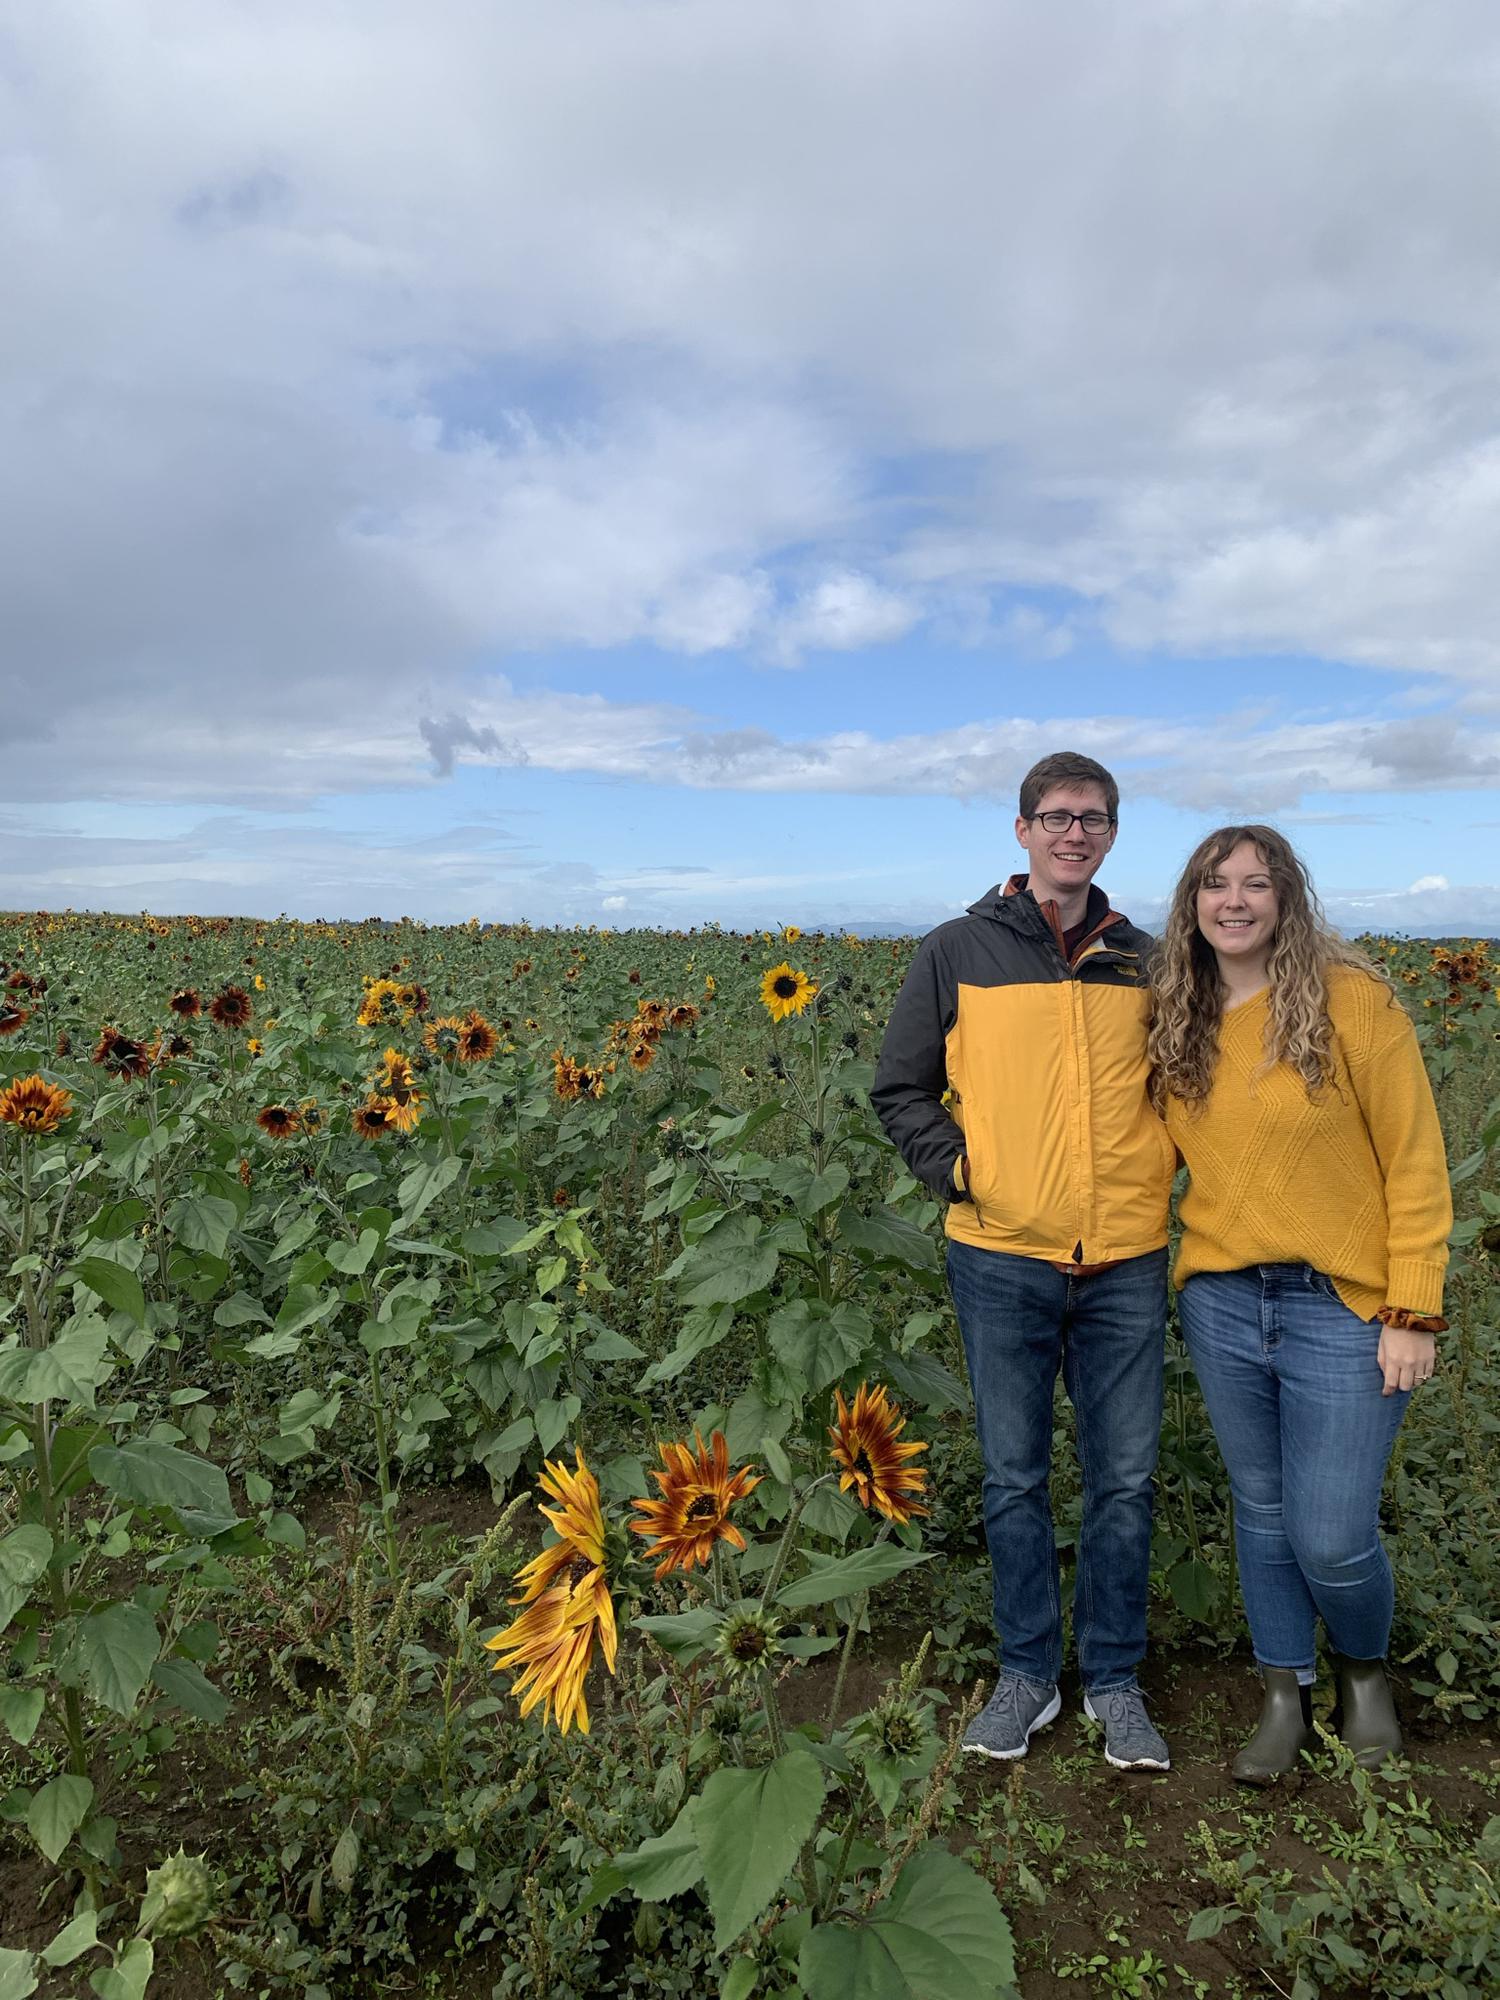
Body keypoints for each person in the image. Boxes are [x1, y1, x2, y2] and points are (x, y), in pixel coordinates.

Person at [873, 752, 1175, 1770]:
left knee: (1125, 1478)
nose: (1073, 832)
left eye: (1092, 818)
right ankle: (1027, 1672)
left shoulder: (1148, 959)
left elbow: (1194, 1088)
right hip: (1001, 1249)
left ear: (1112, 833)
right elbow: (900, 1087)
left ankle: (1118, 1678)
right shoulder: (955, 949)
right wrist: (957, 1170)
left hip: (1127, 1253)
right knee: (1013, 1475)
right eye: (1056, 816)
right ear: (1021, 830)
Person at [1148, 825, 1449, 1782]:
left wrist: (1414, 1309)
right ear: (1191, 902)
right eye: (1214, 883)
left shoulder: (1353, 1002)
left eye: (1256, 883)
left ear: (1286, 898)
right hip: (1225, 1301)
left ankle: (1363, 1672)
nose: (1233, 900)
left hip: (1343, 1306)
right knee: (1265, 1514)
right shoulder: (1176, 1018)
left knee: (1331, 1529)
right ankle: (1285, 1689)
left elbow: (1414, 1160)